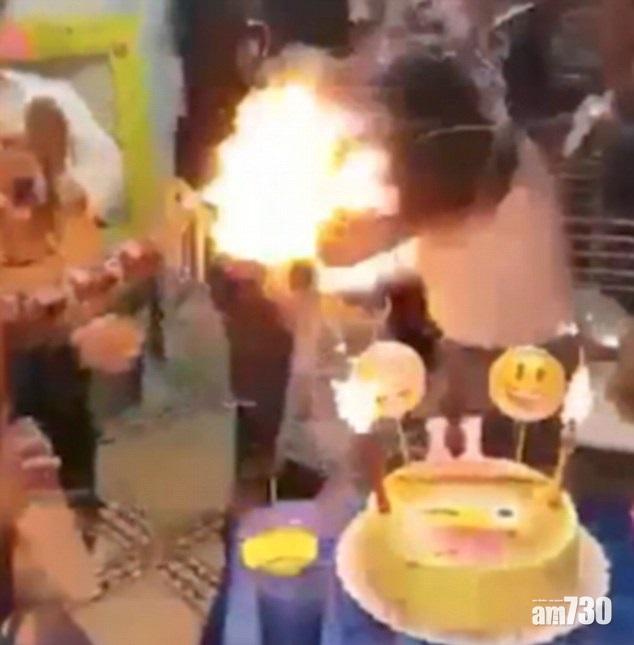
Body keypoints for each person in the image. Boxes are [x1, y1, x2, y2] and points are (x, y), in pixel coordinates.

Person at [318, 49, 579, 466]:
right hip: (474, 364)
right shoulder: (486, 157)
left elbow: (348, 246)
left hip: (520, 378)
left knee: (505, 493)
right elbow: (433, 247)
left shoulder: (476, 160)